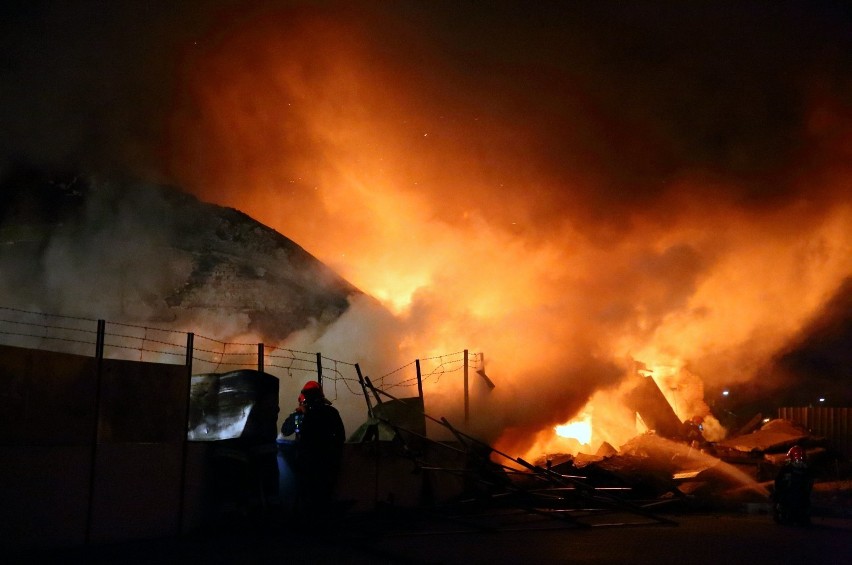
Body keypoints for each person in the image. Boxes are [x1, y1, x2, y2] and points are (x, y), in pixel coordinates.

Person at [280, 380, 345, 519]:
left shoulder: (310, 415)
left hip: (311, 465)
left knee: (310, 498)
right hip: (328, 464)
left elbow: (300, 434)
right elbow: (341, 437)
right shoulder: (331, 412)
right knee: (323, 498)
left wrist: (300, 415)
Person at [773, 445, 814, 526]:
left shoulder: (791, 468)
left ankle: (797, 516)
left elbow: (809, 482)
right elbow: (779, 481)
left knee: (804, 503)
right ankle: (785, 513)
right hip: (791, 493)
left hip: (798, 493)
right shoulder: (790, 468)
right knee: (781, 498)